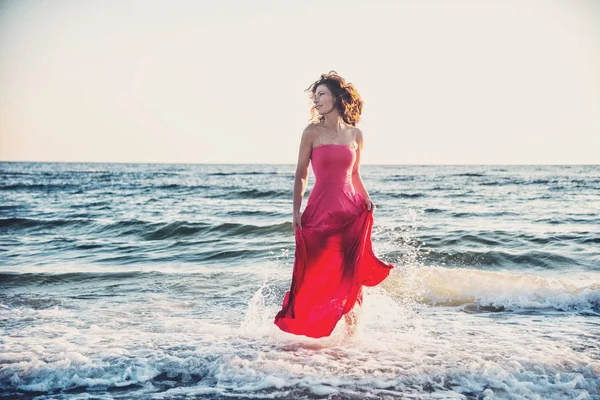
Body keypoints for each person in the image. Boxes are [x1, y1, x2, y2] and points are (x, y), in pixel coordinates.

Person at [274, 71, 394, 338]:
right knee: (315, 270)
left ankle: (352, 339)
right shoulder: (311, 132)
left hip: (349, 212)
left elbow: (354, 173)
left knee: (351, 273)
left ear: (337, 97)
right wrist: (295, 210)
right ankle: (309, 325)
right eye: (315, 96)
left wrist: (366, 197)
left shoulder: (356, 135)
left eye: (322, 94)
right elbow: (301, 173)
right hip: (320, 210)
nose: (316, 100)